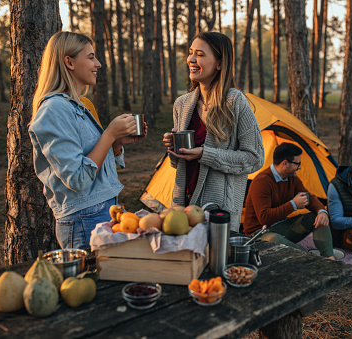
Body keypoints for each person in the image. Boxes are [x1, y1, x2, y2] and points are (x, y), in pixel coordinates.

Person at [29, 31, 147, 249]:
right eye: (91, 57)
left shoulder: (77, 106)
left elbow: (90, 161)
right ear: (69, 62)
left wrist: (117, 143)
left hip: (100, 212)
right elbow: (77, 179)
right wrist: (109, 133)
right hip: (83, 219)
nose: (98, 64)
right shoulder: (54, 110)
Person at [162, 32, 264, 231]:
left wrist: (205, 155)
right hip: (183, 207)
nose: (191, 59)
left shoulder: (234, 102)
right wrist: (174, 151)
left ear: (219, 63)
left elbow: (254, 158)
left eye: (200, 54)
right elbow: (179, 164)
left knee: (215, 261)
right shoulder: (182, 104)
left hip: (218, 213)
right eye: (191, 53)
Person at [243, 143, 336, 259]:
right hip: (258, 234)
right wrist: (293, 205)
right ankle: (309, 259)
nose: (300, 167)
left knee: (316, 217)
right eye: (298, 164)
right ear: (285, 163)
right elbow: (264, 217)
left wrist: (322, 211)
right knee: (274, 240)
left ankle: (329, 257)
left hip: (281, 227)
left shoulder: (292, 178)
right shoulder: (262, 182)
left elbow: (309, 197)